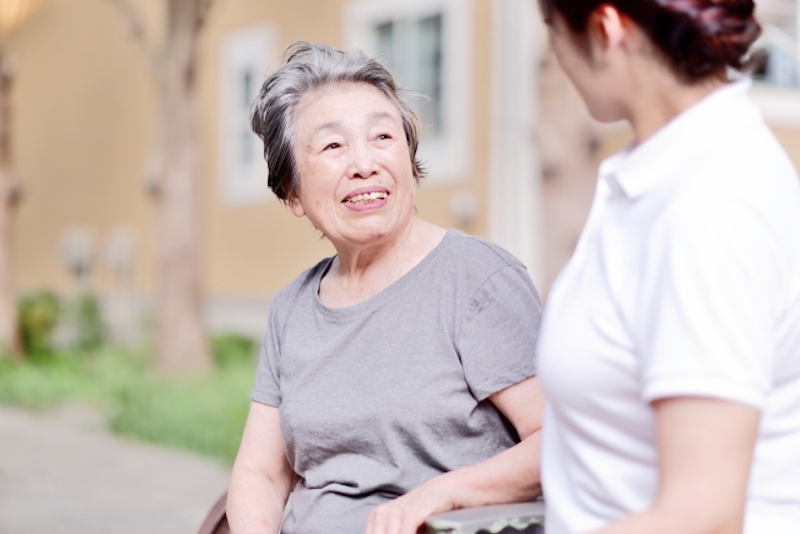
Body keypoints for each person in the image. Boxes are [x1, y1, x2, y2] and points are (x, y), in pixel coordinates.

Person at [226, 42, 546, 534]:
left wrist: (443, 493)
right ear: (292, 192)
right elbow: (262, 474)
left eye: (382, 136)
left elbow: (563, 442)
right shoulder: (292, 307)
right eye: (333, 146)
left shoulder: (477, 279)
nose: (364, 163)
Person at [534, 1, 800, 533]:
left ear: (607, 30)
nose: (555, 55)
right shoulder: (659, 176)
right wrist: (463, 484)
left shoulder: (709, 208)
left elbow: (702, 516)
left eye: (553, 30)